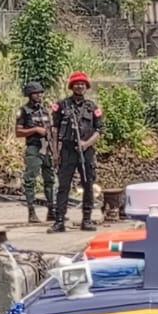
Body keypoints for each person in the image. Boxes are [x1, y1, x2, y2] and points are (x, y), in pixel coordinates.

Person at [49, 71, 102, 234]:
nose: (80, 86)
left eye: (82, 84)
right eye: (77, 84)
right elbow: (54, 130)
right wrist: (55, 152)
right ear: (72, 86)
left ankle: (86, 219)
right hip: (67, 150)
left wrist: (86, 144)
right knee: (63, 186)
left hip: (86, 151)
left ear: (86, 87)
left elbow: (99, 131)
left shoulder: (92, 107)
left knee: (88, 184)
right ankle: (59, 221)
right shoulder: (62, 105)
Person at [15, 81, 54, 224]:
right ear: (29, 95)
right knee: (30, 179)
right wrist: (35, 130)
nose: (39, 95)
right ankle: (31, 211)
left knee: (50, 179)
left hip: (47, 148)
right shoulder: (24, 111)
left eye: (40, 93)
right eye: (36, 93)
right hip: (34, 148)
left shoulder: (44, 111)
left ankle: (52, 210)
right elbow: (18, 132)